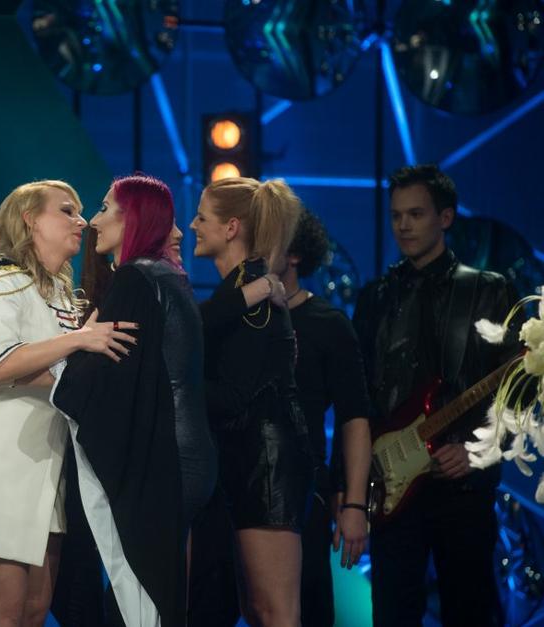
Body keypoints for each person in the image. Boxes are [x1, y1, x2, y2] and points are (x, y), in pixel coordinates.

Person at [0, 180, 136, 627]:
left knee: (33, 610)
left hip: (46, 461)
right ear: (30, 220)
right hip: (0, 461)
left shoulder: (62, 292)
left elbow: (58, 373)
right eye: (67, 211)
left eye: (80, 211)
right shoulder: (2, 278)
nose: (81, 221)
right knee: (4, 612)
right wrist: (79, 340)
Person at [353, 164, 520, 627]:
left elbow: (519, 390)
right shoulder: (375, 298)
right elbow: (357, 397)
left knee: (469, 612)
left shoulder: (488, 290)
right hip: (390, 483)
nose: (403, 226)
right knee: (392, 613)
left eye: (416, 214)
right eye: (396, 216)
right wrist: (347, 486)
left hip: (461, 486)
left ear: (445, 218)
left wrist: (477, 451)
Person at [50, 174, 216, 627]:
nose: (93, 221)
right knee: (151, 598)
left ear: (133, 218)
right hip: (188, 459)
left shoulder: (134, 280)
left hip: (162, 464)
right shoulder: (169, 276)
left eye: (105, 209)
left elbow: (108, 381)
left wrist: (62, 366)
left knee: (138, 604)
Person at [191, 176, 312, 627]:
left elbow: (234, 395)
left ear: (231, 228)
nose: (192, 226)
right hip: (245, 458)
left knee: (274, 611)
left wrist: (174, 389)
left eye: (201, 217)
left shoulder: (255, 296)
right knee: (257, 610)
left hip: (267, 464)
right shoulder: (244, 291)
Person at [279, 211, 372, 626]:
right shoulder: (236, 318)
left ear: (295, 254)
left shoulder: (328, 325)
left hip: (306, 495)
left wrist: (354, 503)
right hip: (241, 493)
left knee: (308, 607)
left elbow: (354, 418)